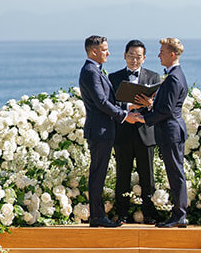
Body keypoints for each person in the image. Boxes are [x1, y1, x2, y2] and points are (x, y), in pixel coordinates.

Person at [77, 35, 143, 227]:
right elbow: (101, 102)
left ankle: (97, 216)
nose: (108, 52)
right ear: (94, 51)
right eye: (105, 49)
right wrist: (124, 115)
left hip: (104, 130)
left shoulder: (95, 70)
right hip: (100, 131)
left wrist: (127, 107)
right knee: (98, 174)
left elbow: (108, 100)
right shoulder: (90, 71)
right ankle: (97, 217)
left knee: (100, 173)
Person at [130, 38, 190, 227]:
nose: (158, 55)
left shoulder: (173, 77)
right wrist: (151, 104)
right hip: (172, 130)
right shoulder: (177, 74)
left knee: (176, 174)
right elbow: (167, 106)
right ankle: (178, 214)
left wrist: (144, 118)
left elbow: (167, 111)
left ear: (172, 54)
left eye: (162, 52)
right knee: (175, 173)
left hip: (171, 131)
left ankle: (179, 216)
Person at [109, 39, 162, 222]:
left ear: (144, 58)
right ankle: (122, 213)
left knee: (147, 176)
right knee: (122, 175)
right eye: (131, 56)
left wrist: (149, 104)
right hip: (123, 133)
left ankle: (149, 213)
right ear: (125, 56)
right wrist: (128, 106)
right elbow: (110, 104)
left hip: (145, 133)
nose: (134, 60)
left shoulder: (154, 77)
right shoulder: (114, 78)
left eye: (138, 56)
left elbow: (159, 106)